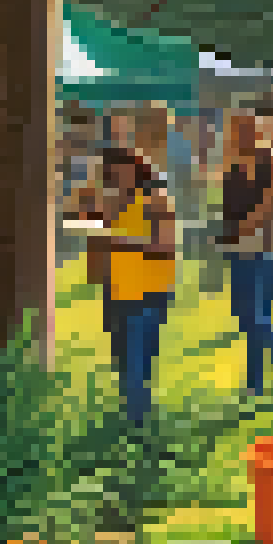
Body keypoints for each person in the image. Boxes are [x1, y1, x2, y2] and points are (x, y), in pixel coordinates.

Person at [78, 146, 175, 426]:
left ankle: (137, 424)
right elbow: (87, 232)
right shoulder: (110, 205)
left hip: (147, 293)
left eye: (120, 171)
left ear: (136, 171)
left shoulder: (156, 202)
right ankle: (133, 421)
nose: (115, 178)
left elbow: (165, 246)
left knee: (137, 362)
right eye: (110, 173)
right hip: (116, 292)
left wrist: (120, 241)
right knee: (123, 360)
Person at [219, 113, 273, 396]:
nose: (237, 136)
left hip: (266, 249)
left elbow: (268, 203)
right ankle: (256, 383)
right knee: (246, 317)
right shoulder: (233, 166)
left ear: (254, 132)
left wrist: (241, 230)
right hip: (238, 249)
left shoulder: (269, 160)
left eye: (243, 131)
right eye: (234, 131)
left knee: (255, 316)